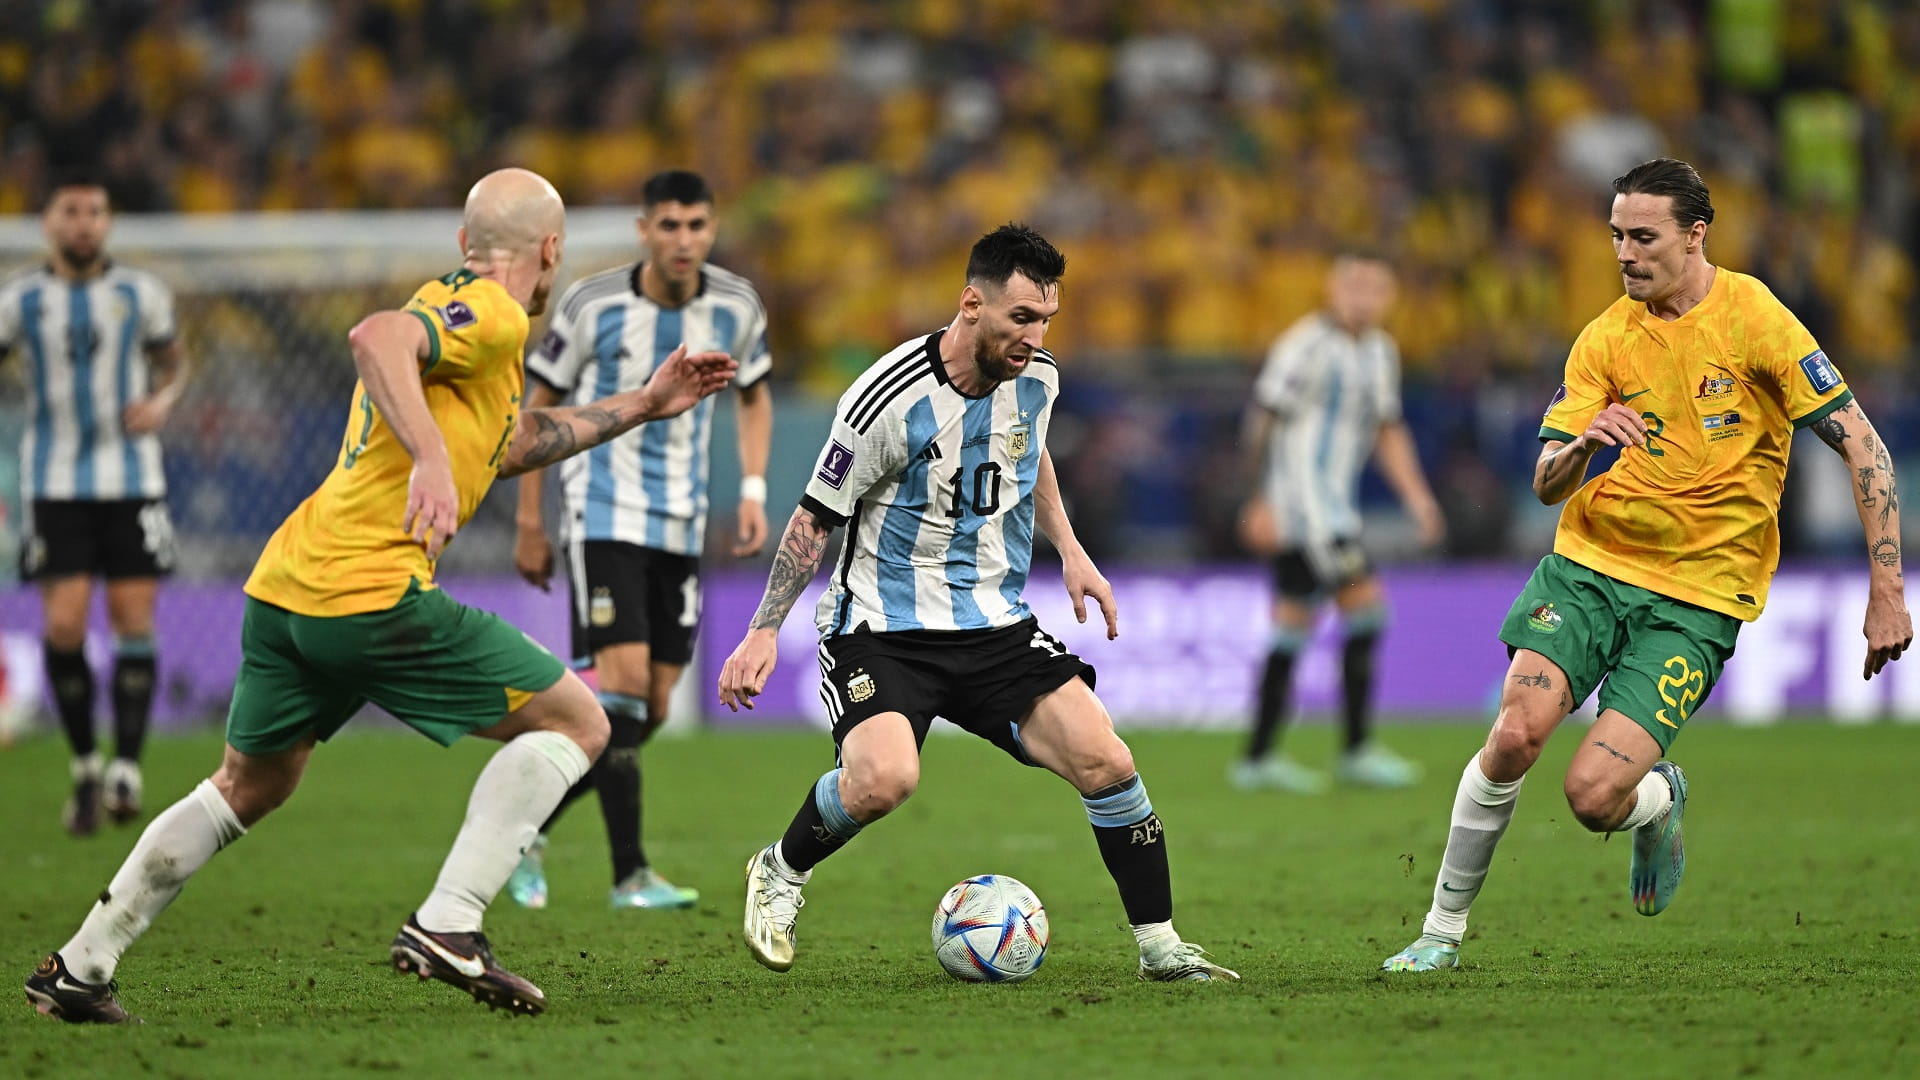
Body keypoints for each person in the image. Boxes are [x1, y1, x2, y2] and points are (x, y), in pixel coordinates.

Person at [24, 168, 738, 1023]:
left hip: (287, 585)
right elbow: (373, 337)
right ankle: (450, 921)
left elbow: (508, 444)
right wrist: (431, 458)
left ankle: (81, 964)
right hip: (367, 589)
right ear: (550, 251)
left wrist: (643, 403)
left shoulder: (460, 312)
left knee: (247, 784)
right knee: (579, 722)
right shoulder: (497, 312)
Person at [1384, 158, 1910, 972]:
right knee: (1517, 734)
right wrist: (1585, 443)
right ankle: (1440, 933)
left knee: (1593, 798)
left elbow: (1864, 447)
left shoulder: (1756, 318)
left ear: (1695, 235)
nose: (1625, 254)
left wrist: (1887, 593)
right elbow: (1546, 480)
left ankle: (1660, 801)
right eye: (1616, 237)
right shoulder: (1605, 337)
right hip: (1592, 565)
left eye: (1643, 236)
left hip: (1698, 596)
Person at [717, 224, 1238, 983]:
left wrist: (1070, 548)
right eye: (1022, 318)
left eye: (1048, 319)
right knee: (883, 781)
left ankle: (1160, 948)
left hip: (992, 624)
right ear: (971, 304)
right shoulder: (883, 400)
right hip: (883, 630)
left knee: (1108, 761)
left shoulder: (1038, 377)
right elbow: (813, 518)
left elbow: (1029, 450)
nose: (1036, 336)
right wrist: (764, 632)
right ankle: (779, 868)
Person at [507, 170, 773, 911]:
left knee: (649, 709)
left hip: (681, 524)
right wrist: (533, 522)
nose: (683, 240)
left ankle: (526, 827)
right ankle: (630, 874)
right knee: (621, 695)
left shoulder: (737, 305)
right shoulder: (593, 304)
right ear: (643, 229)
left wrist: (751, 490)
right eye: (669, 225)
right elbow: (539, 409)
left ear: (712, 229)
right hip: (604, 513)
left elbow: (754, 396)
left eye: (696, 225)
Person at [0, 173, 189, 834]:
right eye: (70, 210)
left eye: (95, 211)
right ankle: (84, 763)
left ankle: (126, 768)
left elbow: (173, 362)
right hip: (52, 483)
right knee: (64, 628)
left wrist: (163, 401)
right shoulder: (19, 300)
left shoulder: (141, 293)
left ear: (107, 221)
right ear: (48, 221)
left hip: (134, 479)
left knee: (135, 620)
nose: (84, 223)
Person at [1233, 253, 1444, 793]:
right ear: (1332, 288)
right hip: (1306, 514)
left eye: (1375, 288)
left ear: (1389, 296)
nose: (1363, 297)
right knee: (1367, 611)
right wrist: (1257, 501)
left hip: (1335, 513)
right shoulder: (1304, 345)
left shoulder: (1379, 351)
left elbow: (1387, 431)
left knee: (1291, 625)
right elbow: (1264, 419)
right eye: (1353, 285)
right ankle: (1353, 750)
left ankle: (1257, 759)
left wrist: (1418, 498)